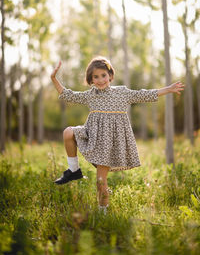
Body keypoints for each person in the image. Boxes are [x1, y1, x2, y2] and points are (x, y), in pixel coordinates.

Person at [51, 56, 184, 213]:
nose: (100, 80)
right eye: (96, 77)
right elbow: (68, 95)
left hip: (108, 144)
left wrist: (168, 89)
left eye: (103, 75)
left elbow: (144, 94)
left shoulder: (121, 93)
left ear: (110, 76)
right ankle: (74, 170)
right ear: (91, 80)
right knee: (68, 132)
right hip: (92, 136)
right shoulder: (91, 95)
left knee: (100, 180)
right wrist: (53, 78)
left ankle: (103, 212)